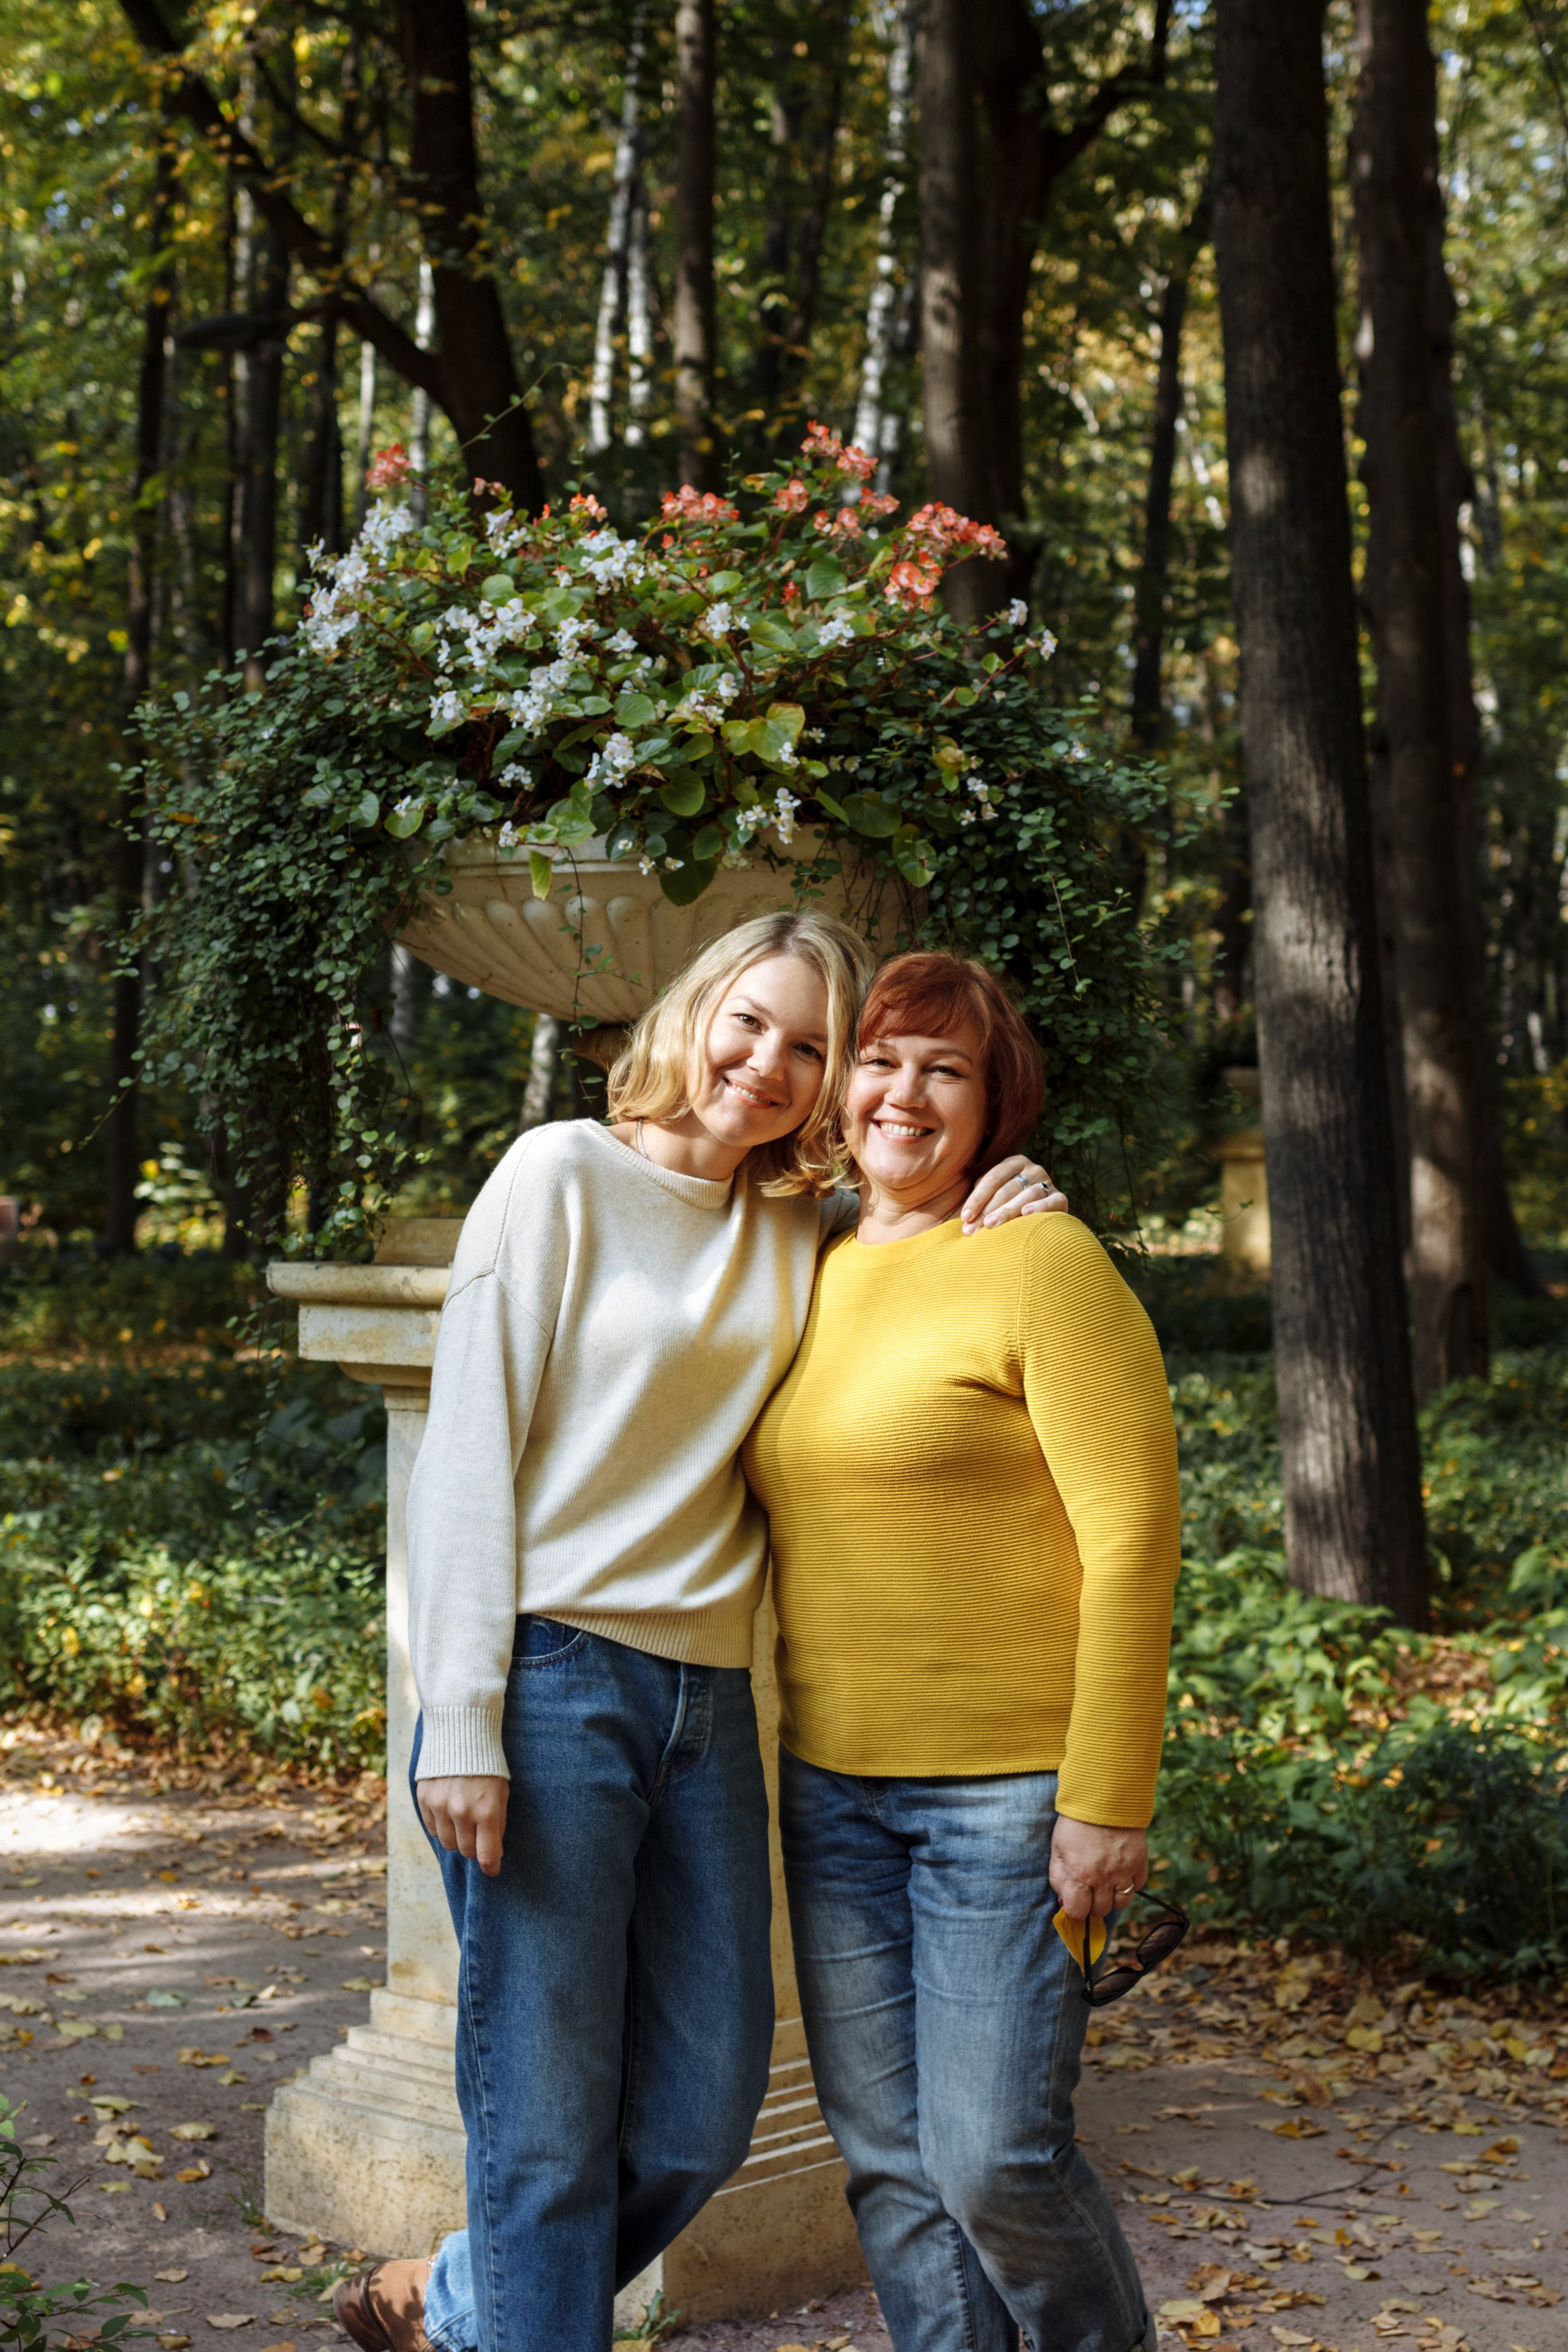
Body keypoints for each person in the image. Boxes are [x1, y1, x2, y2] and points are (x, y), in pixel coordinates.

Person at [332, 911, 1063, 2352]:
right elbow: (466, 1452)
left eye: (809, 1047)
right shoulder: (557, 1178)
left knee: (701, 2110)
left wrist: (1010, 1180)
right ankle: (505, 2311)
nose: (768, 1064)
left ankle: (466, 2303)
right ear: (692, 1013)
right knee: (543, 2129)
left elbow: (919, 1214)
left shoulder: (797, 1231)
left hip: (709, 1707)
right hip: (546, 1684)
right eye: (750, 1022)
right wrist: (462, 1719)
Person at [744, 950, 1181, 2352]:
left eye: (945, 1070)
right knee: (891, 2168)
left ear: (993, 1109)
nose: (901, 1093)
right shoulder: (797, 1260)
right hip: (832, 1787)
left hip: (1006, 1797)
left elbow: (1131, 1535)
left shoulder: (1039, 1258)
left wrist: (1104, 1797)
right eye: (878, 1058)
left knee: (994, 2161)